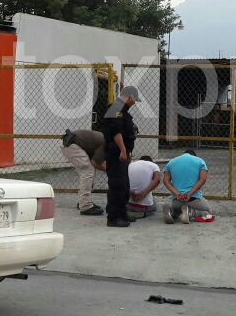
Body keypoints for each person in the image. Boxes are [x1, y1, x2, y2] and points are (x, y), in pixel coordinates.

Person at [102, 85, 141, 228]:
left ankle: (122, 213)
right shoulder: (115, 108)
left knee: (124, 185)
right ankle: (113, 217)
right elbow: (116, 132)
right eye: (134, 99)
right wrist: (123, 151)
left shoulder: (121, 109)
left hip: (121, 154)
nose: (134, 102)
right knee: (117, 185)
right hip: (115, 154)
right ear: (129, 96)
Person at [61, 128, 106, 216]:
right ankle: (85, 206)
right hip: (72, 144)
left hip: (71, 142)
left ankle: (83, 202)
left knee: (88, 172)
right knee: (88, 172)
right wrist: (110, 170)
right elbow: (96, 162)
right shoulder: (107, 142)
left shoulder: (106, 138)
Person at [161, 149, 214, 224]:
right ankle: (190, 213)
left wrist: (177, 194)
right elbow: (203, 179)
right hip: (194, 199)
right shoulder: (200, 161)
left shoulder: (171, 162)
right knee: (208, 211)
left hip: (177, 199)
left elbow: (166, 181)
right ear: (194, 155)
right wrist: (189, 194)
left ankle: (172, 213)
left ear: (183, 154)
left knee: (176, 208)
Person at [127, 156, 161, 220]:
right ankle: (143, 213)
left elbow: (123, 180)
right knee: (154, 205)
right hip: (144, 207)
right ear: (151, 161)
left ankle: (129, 212)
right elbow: (157, 180)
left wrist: (131, 192)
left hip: (129, 205)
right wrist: (144, 193)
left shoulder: (130, 165)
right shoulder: (154, 165)